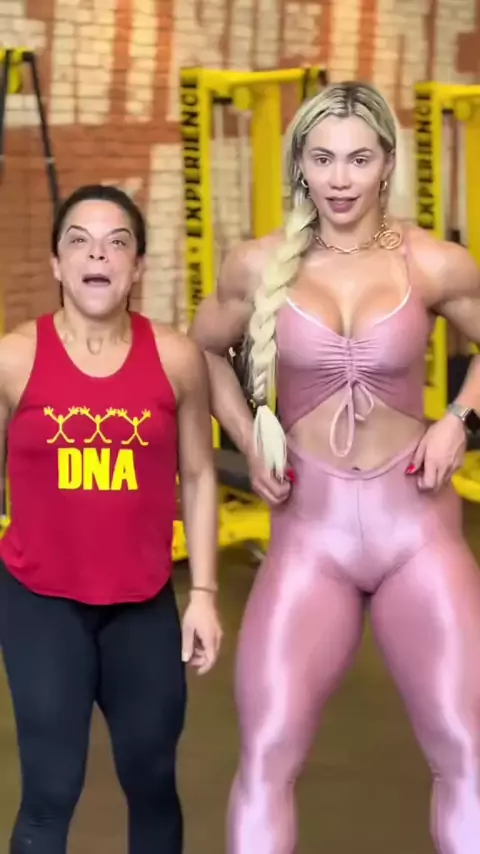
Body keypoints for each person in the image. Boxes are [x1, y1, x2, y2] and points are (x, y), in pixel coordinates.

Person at [190, 81, 480, 854]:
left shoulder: (431, 261)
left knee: (464, 750)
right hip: (309, 532)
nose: (340, 179)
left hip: (416, 528)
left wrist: (460, 419)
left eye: (358, 159)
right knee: (267, 752)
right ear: (301, 166)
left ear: (387, 163)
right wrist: (249, 437)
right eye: (322, 159)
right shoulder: (257, 264)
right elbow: (202, 350)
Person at [0, 183, 222, 854]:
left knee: (152, 782)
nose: (98, 254)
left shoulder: (176, 357)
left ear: (137, 266)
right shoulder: (14, 358)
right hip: (41, 603)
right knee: (50, 791)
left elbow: (199, 474)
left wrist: (204, 593)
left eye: (116, 242)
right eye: (80, 241)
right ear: (57, 263)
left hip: (142, 605)